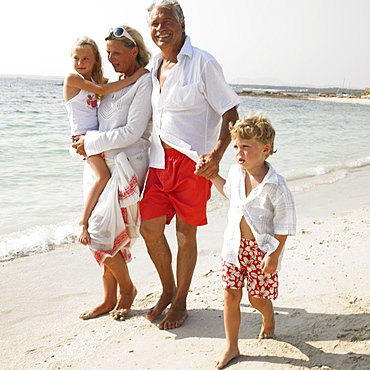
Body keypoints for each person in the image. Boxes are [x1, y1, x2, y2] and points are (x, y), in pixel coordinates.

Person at [139, 0, 241, 330]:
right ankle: (168, 289)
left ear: (182, 24)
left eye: (166, 21)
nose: (160, 28)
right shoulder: (154, 65)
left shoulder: (204, 63)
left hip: (191, 163)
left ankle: (180, 300)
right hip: (156, 160)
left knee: (185, 234)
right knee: (149, 228)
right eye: (154, 23)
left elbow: (230, 113)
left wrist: (217, 155)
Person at [200, 113, 296, 369]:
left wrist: (274, 255)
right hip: (233, 247)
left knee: (256, 298)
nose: (239, 152)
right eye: (236, 147)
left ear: (265, 149)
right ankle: (231, 346)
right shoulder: (234, 172)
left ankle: (268, 315)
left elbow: (285, 223)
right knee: (231, 294)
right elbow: (230, 194)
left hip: (261, 250)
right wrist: (212, 177)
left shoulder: (276, 185)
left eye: (245, 146)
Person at [72, 26, 152, 320]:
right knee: (104, 233)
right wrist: (81, 144)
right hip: (97, 167)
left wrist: (88, 142)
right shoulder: (113, 81)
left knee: (98, 232)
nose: (111, 57)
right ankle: (108, 298)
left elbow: (132, 132)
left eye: (116, 52)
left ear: (134, 50)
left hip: (124, 168)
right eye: (107, 53)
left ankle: (127, 289)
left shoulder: (144, 82)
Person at [64, 36, 147, 245]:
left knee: (104, 179)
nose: (80, 63)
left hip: (94, 138)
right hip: (82, 139)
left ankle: (102, 226)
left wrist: (127, 80)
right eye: (76, 58)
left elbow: (111, 89)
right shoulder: (72, 79)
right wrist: (136, 76)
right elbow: (102, 92)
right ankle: (83, 222)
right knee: (102, 178)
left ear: (95, 61)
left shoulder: (93, 81)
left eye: (86, 59)